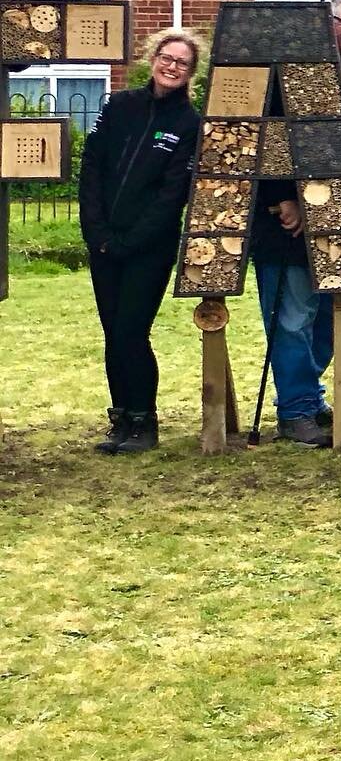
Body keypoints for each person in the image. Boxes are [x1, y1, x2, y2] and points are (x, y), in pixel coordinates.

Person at [251, 0, 341, 448]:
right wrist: (282, 199)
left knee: (329, 318)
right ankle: (296, 412)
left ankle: (309, 395)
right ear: (325, 23)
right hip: (284, 225)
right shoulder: (285, 73)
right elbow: (256, 137)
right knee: (291, 318)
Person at [78, 27, 203, 454]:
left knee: (133, 331)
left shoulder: (189, 123)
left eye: (181, 63)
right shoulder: (119, 105)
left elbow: (173, 195)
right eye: (166, 58)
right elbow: (91, 169)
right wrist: (98, 234)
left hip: (148, 247)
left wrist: (131, 241)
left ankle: (144, 422)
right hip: (104, 243)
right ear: (153, 58)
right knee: (112, 332)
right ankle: (120, 419)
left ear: (191, 73)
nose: (172, 67)